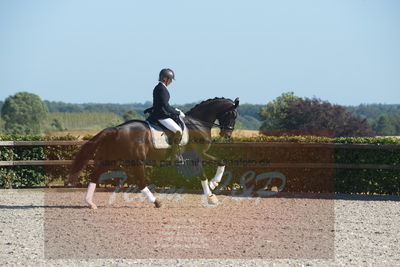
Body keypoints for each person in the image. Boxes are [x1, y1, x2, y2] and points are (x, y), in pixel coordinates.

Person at [145, 68, 185, 163]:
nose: (171, 82)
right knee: (178, 131)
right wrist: (178, 112)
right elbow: (165, 106)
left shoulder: (159, 87)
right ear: (165, 79)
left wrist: (175, 109)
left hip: (159, 113)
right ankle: (174, 155)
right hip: (161, 116)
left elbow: (160, 104)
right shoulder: (162, 88)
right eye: (170, 79)